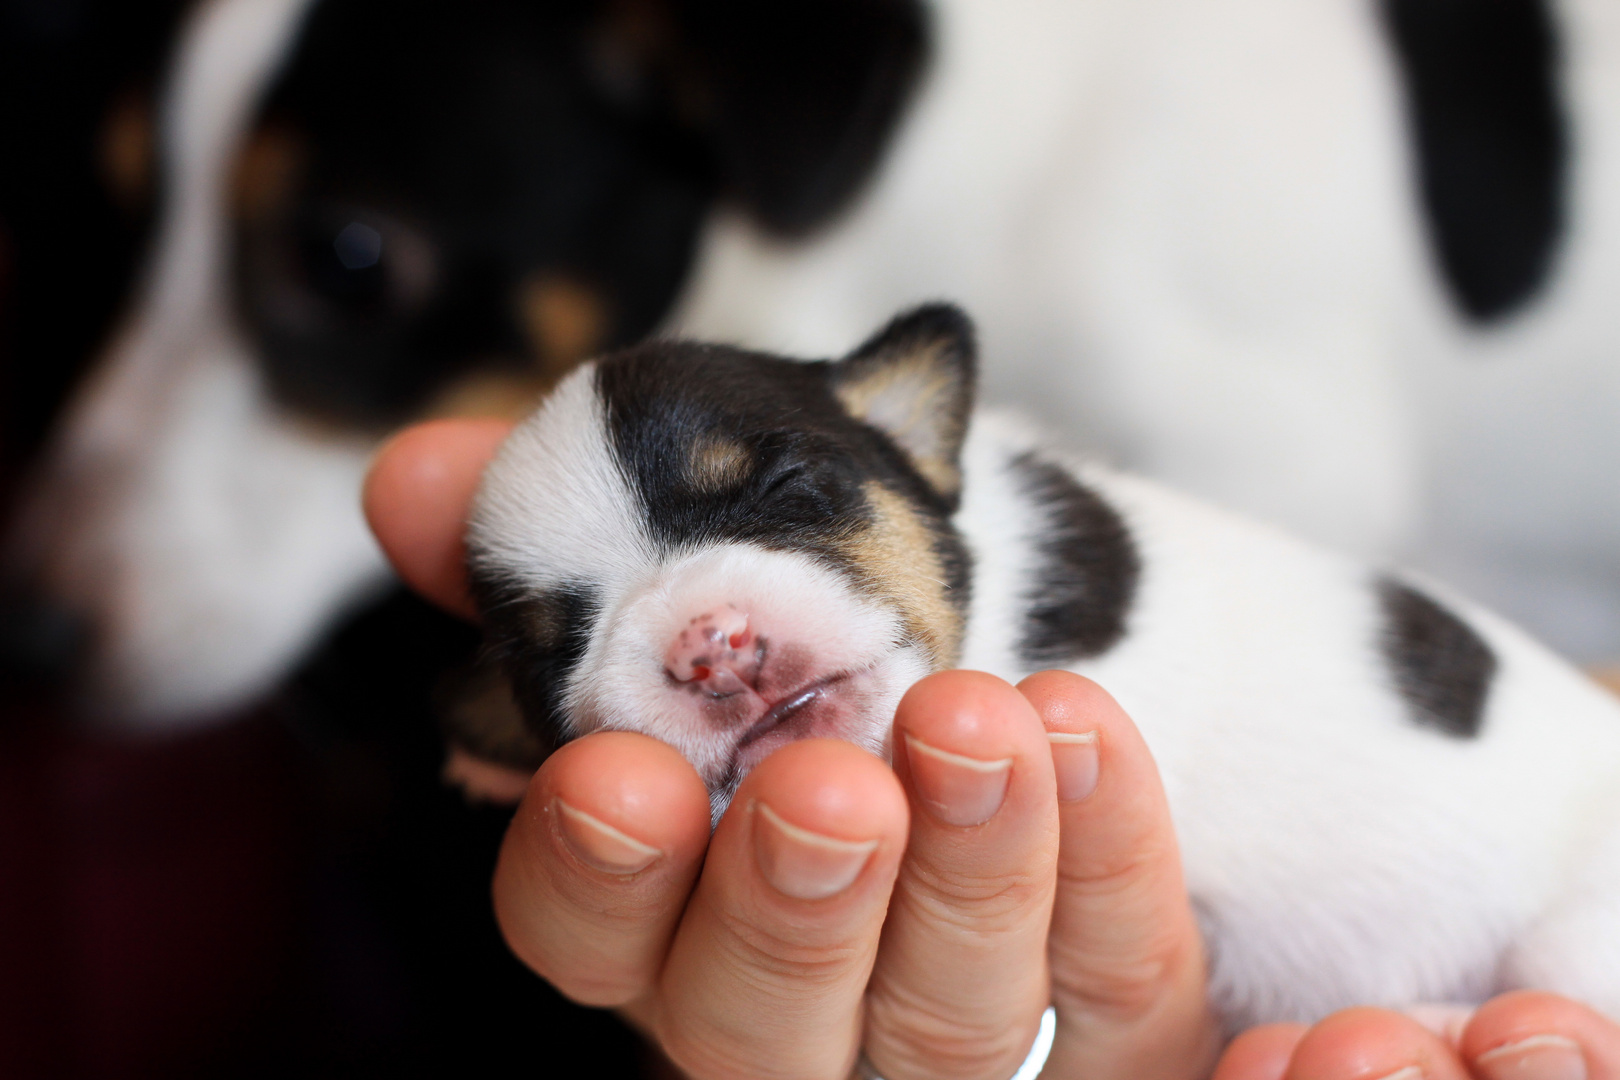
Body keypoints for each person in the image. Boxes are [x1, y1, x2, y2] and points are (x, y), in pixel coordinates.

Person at [364, 418, 1620, 1080]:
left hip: (1565, 861)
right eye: (572, 633)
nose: (713, 642)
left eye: (781, 501)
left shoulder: (1052, 585)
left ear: (908, 444)